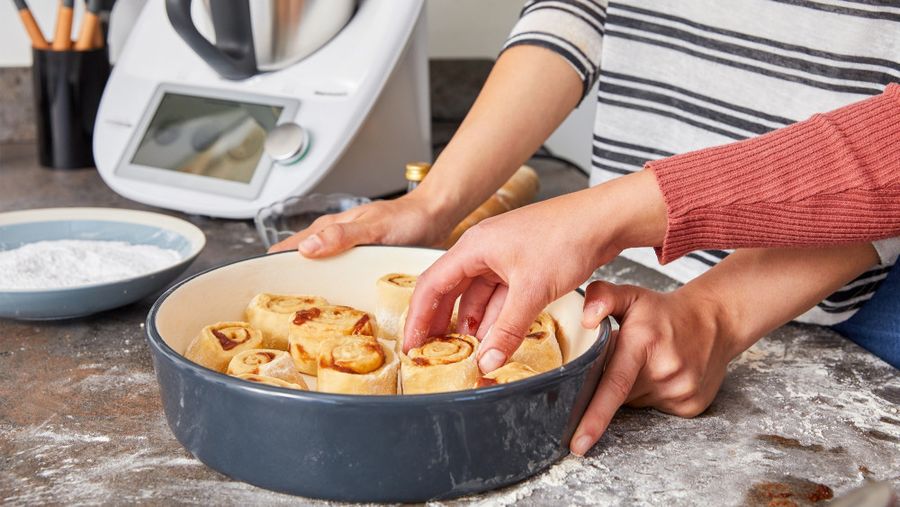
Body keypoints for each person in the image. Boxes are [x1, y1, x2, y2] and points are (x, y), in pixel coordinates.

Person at [271, 1, 900, 455]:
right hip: (624, 253)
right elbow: (579, 8)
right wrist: (435, 200)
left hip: (848, 297)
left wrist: (718, 313)